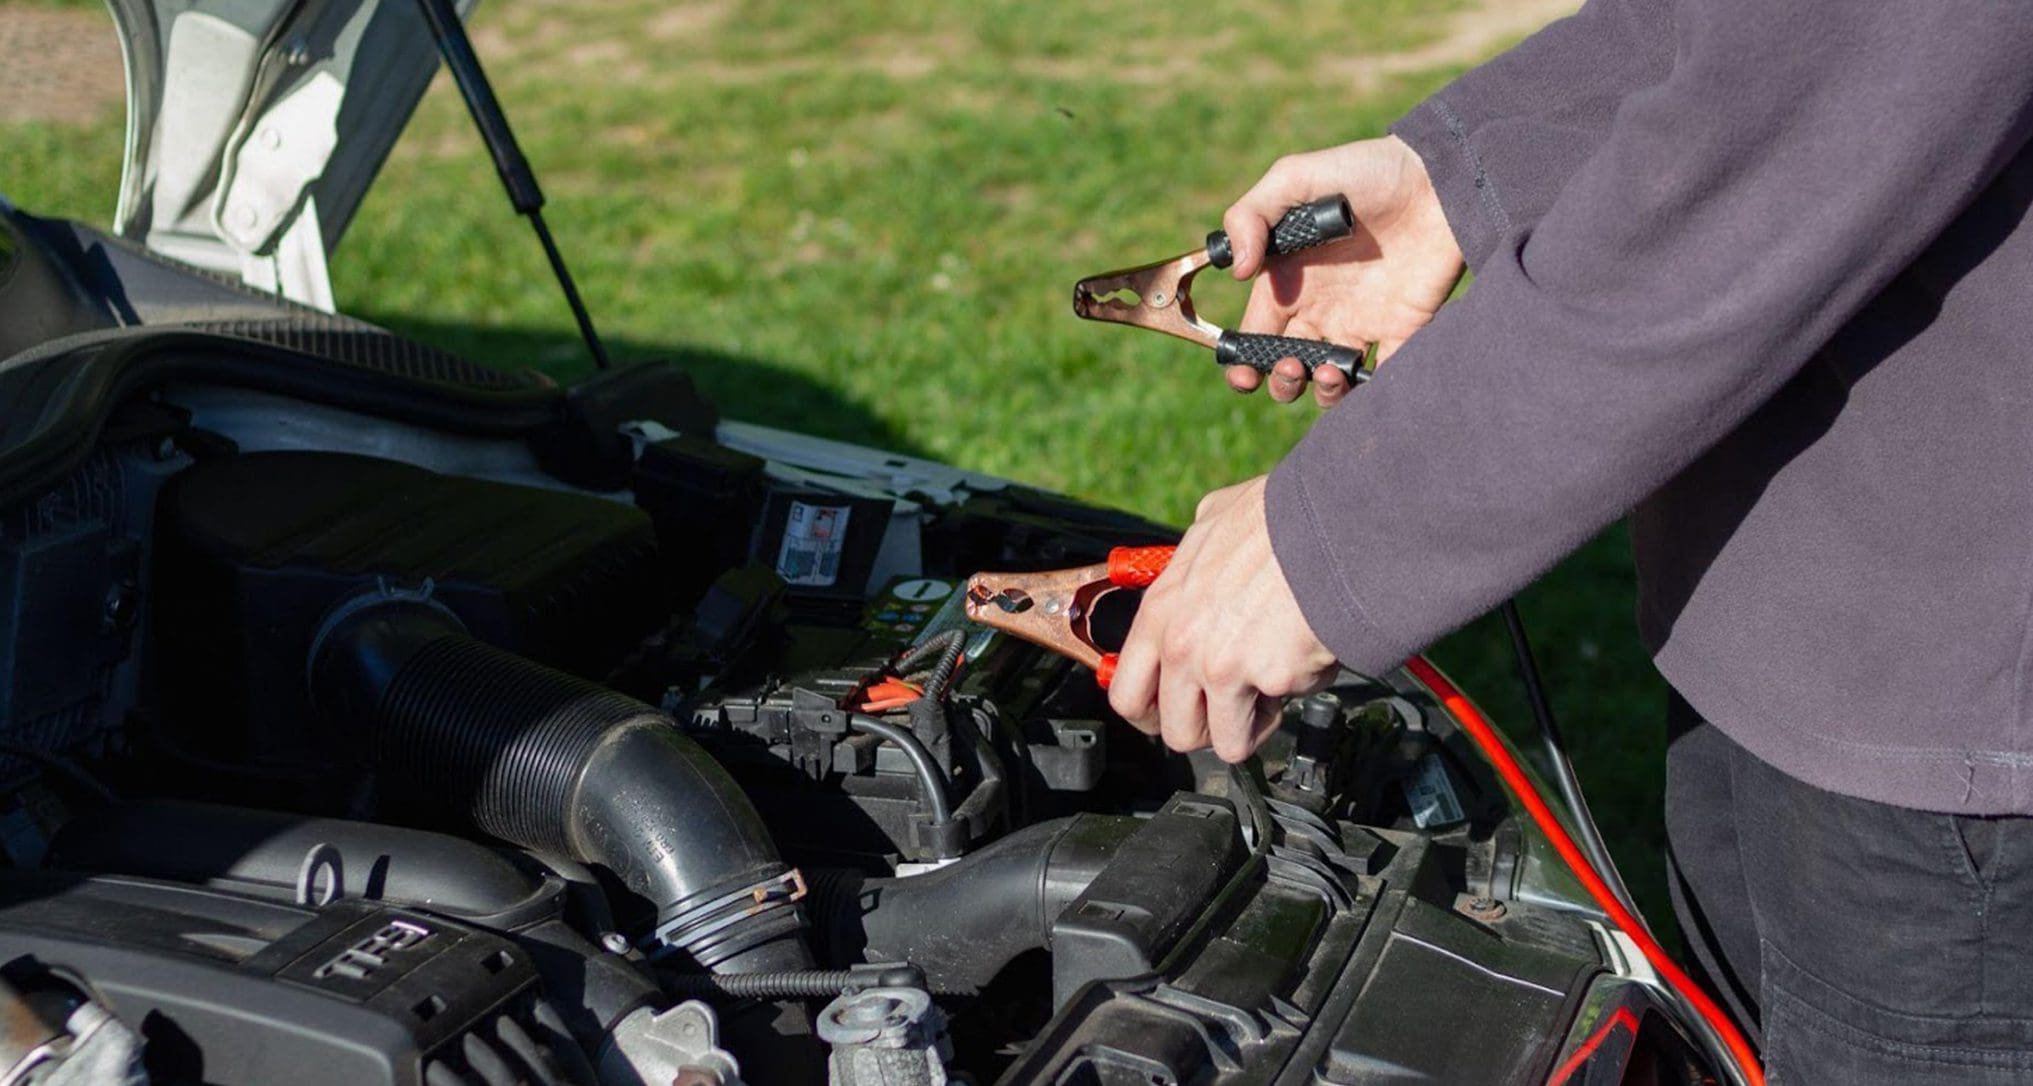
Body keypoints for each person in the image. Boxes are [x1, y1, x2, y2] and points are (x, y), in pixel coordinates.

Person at [1103, 0, 2033, 1081]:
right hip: (1775, 632)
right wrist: (1460, 170)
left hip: (1961, 737)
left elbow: (1783, 140)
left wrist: (1325, 538)